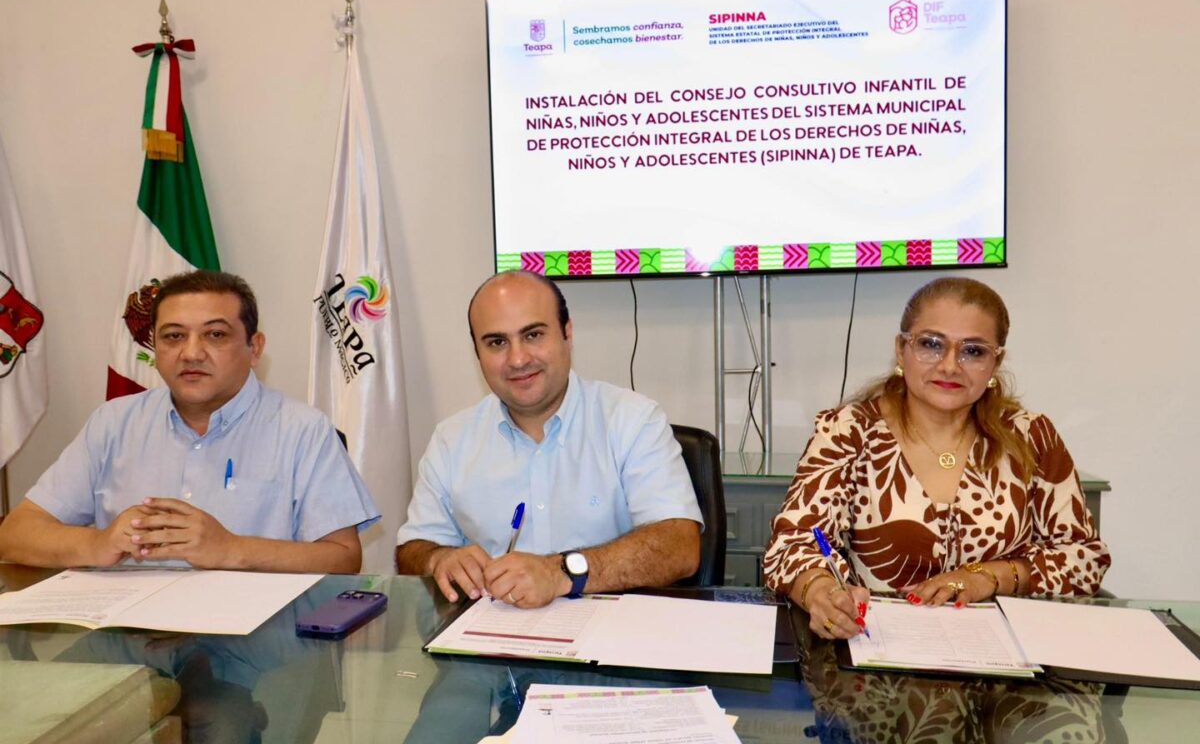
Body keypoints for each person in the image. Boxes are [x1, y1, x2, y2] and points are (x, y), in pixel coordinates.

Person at [763, 277, 1110, 639]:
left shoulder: (1031, 436)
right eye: (931, 344)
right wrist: (821, 591)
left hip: (1006, 656)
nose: (949, 366)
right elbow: (792, 545)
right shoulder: (850, 430)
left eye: (973, 351)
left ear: (996, 362)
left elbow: (1083, 559)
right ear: (901, 349)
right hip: (878, 651)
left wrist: (988, 577)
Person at [0, 270, 379, 573]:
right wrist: (99, 543)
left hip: (250, 639)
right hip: (129, 634)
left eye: (215, 335)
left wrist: (231, 549)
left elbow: (343, 558)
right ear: (155, 347)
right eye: (173, 336)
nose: (191, 353)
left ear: (254, 348)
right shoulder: (114, 422)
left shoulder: (302, 430)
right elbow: (16, 534)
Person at [395, 270, 702, 608]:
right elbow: (412, 549)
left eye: (533, 335)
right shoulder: (451, 440)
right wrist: (438, 559)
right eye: (497, 343)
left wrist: (560, 572)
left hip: (612, 629)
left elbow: (679, 546)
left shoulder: (633, 420)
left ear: (567, 333)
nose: (518, 359)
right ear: (477, 352)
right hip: (494, 632)